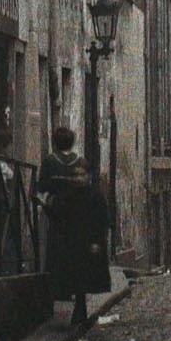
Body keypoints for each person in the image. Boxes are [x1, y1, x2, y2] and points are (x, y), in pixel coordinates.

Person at [36, 124, 111, 330]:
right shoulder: (81, 161)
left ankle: (60, 300)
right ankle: (77, 303)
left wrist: (46, 203)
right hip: (75, 224)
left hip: (63, 222)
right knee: (77, 266)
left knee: (60, 262)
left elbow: (42, 188)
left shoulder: (50, 161)